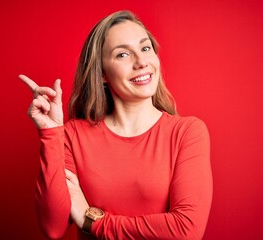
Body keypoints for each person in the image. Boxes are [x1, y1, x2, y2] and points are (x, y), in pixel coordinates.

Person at [19, 10, 212, 240]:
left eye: (145, 48)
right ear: (101, 73)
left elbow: (186, 231)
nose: (141, 62)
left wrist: (92, 221)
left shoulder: (187, 132)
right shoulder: (72, 135)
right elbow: (53, 227)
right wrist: (50, 133)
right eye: (122, 55)